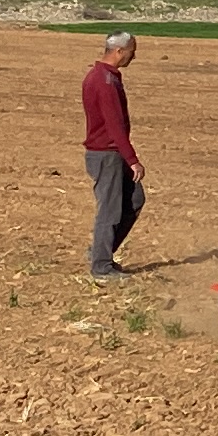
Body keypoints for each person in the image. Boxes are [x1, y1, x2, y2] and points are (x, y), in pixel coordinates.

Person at [81, 31, 144, 279]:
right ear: (119, 51)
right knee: (110, 210)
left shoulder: (106, 77)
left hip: (111, 152)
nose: (134, 57)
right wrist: (133, 160)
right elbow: (114, 125)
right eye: (132, 51)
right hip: (106, 154)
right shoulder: (104, 81)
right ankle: (101, 266)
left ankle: (101, 251)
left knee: (135, 201)